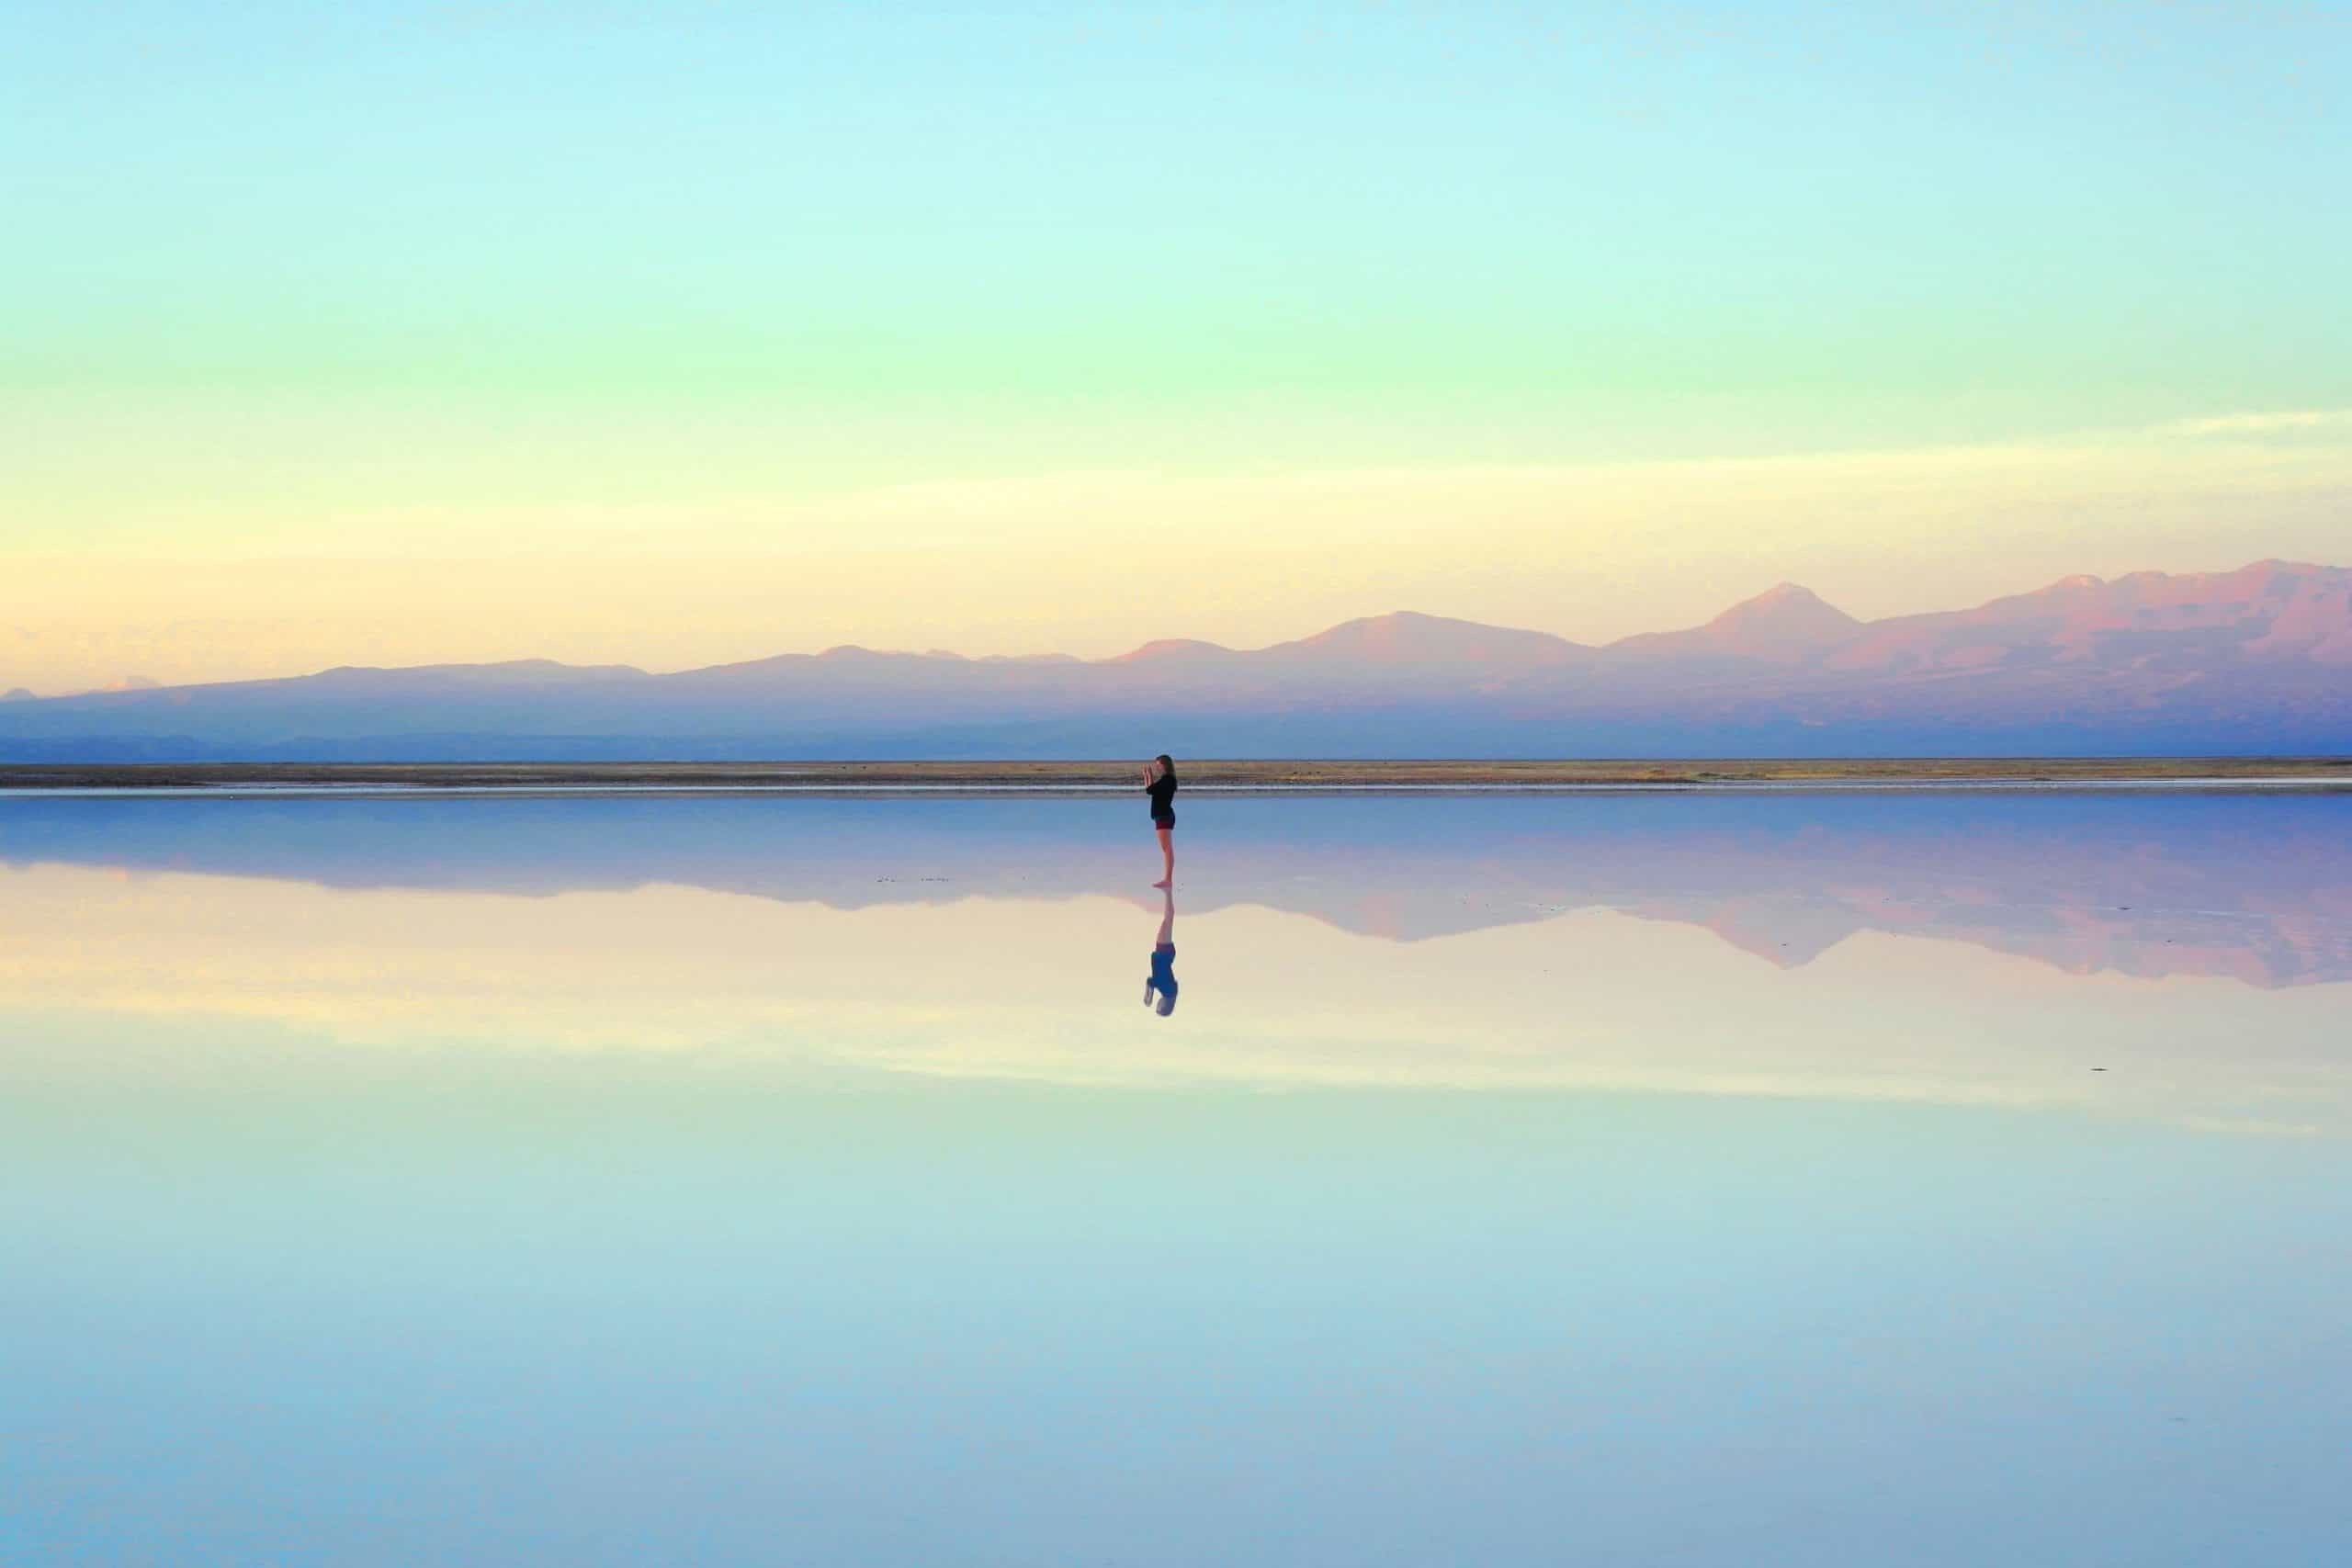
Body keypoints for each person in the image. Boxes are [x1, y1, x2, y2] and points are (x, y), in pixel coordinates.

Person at [1142, 753, 1177, 886]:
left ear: (1165, 765)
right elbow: (1150, 791)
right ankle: (1168, 879)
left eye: (1158, 766)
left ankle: (1168, 879)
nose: (1157, 768)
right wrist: (1147, 776)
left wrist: (1148, 776)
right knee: (1166, 848)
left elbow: (1150, 789)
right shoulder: (1166, 779)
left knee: (1167, 848)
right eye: (1156, 766)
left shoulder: (1168, 779)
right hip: (1162, 816)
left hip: (1164, 816)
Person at [1144, 885, 1178, 1017]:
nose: (1157, 1006)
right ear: (1164, 1007)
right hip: (1164, 953)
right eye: (1158, 1008)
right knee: (1168, 920)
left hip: (1164, 953)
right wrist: (1149, 997)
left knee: (1167, 920)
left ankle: (1167, 892)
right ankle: (1168, 891)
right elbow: (1152, 981)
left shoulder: (1168, 991)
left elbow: (1152, 981)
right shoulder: (1167, 990)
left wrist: (1149, 995)